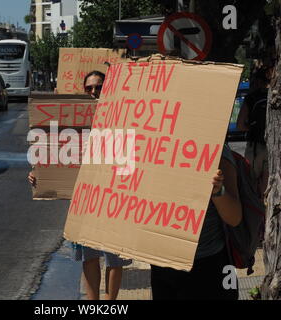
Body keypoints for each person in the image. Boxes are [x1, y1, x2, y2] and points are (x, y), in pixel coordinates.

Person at [28, 70, 132, 300]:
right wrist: (40, 175)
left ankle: (110, 302)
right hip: (85, 201)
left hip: (114, 198)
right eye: (89, 88)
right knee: (89, 255)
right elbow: (55, 154)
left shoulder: (122, 116)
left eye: (99, 87)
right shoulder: (72, 122)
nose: (94, 91)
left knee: (115, 256)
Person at [150, 144, 243, 300]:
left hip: (209, 265)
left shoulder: (217, 149)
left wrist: (217, 190)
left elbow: (234, 217)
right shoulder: (152, 146)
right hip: (162, 265)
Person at [236, 68, 270, 200]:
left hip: (255, 147)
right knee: (267, 185)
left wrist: (251, 128)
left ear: (257, 82)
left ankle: (254, 214)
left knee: (250, 183)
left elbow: (239, 125)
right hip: (272, 148)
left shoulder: (251, 98)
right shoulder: (274, 96)